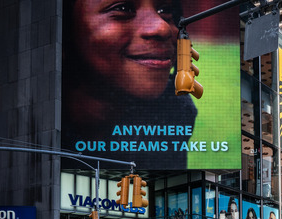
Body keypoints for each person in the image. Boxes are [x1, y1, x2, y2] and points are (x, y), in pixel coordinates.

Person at [62, 0, 197, 166]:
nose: (162, 28)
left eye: (165, 10)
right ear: (64, 29)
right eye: (122, 8)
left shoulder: (174, 108)